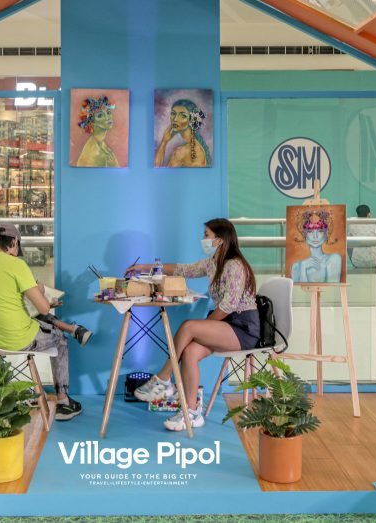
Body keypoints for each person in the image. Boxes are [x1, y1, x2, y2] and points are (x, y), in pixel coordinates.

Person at [131, 218, 258, 431]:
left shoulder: (235, 265)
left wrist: (203, 327)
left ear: (220, 240)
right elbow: (183, 269)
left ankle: (163, 378)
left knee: (189, 327)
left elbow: (228, 307)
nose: (203, 239)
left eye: (207, 235)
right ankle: (191, 412)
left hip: (242, 328)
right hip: (225, 325)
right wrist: (144, 267)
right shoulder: (212, 263)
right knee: (189, 352)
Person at [0, 222, 88, 421]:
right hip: (19, 338)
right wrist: (42, 295)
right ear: (13, 242)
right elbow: (44, 308)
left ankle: (30, 393)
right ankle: (63, 401)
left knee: (41, 321)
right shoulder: (16, 264)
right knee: (60, 339)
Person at [154, 99, 211, 168]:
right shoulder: (197, 147)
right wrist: (164, 140)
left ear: (191, 120)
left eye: (183, 116)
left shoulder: (182, 152)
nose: (175, 119)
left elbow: (156, 168)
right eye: (173, 114)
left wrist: (164, 142)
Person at [290, 208, 342, 283]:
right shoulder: (297, 266)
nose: (315, 236)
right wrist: (303, 269)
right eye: (310, 231)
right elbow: (297, 289)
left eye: (320, 231)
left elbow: (333, 287)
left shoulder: (334, 259)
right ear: (304, 234)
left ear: (326, 234)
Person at [75, 95, 119, 167]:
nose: (107, 118)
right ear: (91, 121)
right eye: (100, 116)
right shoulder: (94, 151)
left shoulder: (102, 144)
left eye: (108, 113)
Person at [347, 204, 376, 270]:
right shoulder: (375, 225)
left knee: (349, 241)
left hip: (356, 262)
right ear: (369, 214)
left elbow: (352, 219)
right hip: (374, 262)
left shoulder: (352, 224)